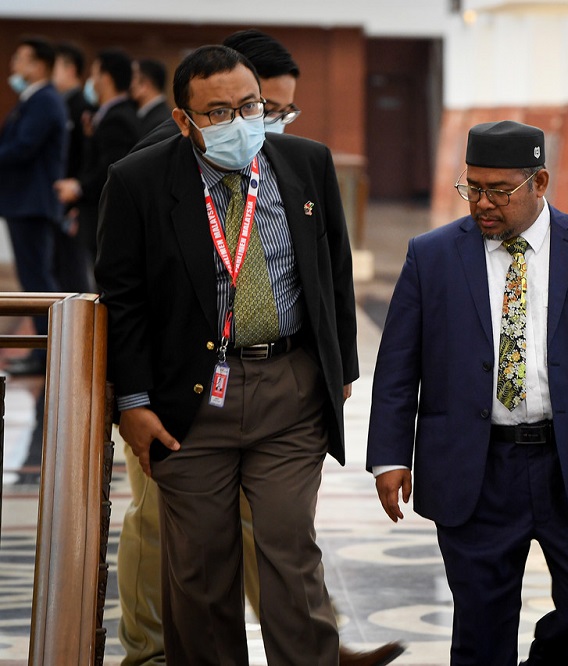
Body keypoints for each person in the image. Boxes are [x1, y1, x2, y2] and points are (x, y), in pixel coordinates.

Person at [116, 31, 404, 666]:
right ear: (184, 120)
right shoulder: (141, 179)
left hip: (289, 386)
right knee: (200, 566)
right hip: (190, 396)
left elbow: (332, 272)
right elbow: (124, 299)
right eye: (219, 113)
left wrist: (340, 369)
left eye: (252, 107)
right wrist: (132, 401)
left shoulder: (305, 163)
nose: (242, 122)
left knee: (289, 545)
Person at [367, 120, 568, 665]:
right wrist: (390, 457)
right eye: (473, 188)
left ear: (539, 182)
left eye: (499, 191)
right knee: (482, 633)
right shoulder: (432, 256)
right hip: (477, 468)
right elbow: (398, 365)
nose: (482, 203)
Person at [0, 36, 67, 376]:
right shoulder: (35, 98)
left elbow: (24, 146)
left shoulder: (44, 100)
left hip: (32, 203)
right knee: (33, 280)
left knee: (37, 282)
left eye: (21, 58)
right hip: (25, 203)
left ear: (39, 65)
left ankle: (49, 353)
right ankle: (45, 351)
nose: (14, 64)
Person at [54, 48, 139, 264]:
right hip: (92, 211)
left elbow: (110, 169)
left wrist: (78, 188)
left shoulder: (118, 118)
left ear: (106, 78)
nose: (91, 81)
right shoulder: (106, 114)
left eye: (94, 74)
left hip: (106, 216)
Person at [51, 41, 96, 293]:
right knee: (58, 268)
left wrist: (79, 197)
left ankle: (77, 318)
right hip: (60, 198)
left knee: (73, 272)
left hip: (75, 201)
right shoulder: (59, 104)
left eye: (55, 67)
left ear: (70, 69)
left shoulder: (82, 108)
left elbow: (87, 159)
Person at [130, 58, 170, 138]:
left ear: (145, 85)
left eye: (133, 78)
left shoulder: (160, 122)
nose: (130, 84)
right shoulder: (150, 116)